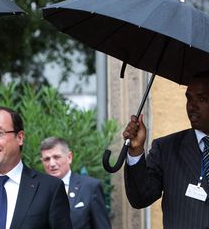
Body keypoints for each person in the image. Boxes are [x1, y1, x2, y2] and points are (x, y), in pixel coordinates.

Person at [123, 71, 209, 228]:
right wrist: (135, 151)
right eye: (189, 98)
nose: (192, 106)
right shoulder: (167, 149)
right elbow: (140, 197)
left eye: (202, 99)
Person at [40, 137, 110, 229]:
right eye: (47, 159)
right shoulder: (36, 190)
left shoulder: (90, 187)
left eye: (56, 157)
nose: (52, 163)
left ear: (69, 157)